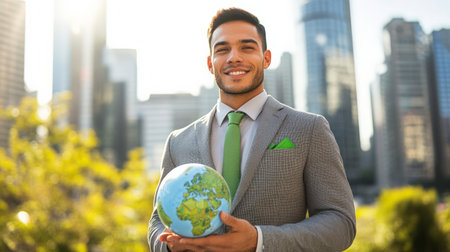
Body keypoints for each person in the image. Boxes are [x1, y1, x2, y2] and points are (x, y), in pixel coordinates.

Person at [148, 7, 356, 252]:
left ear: (266, 58)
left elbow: (341, 223)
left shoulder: (309, 128)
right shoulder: (178, 141)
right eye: (222, 49)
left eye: (247, 47)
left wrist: (259, 240)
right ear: (209, 63)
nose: (234, 57)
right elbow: (156, 222)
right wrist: (169, 247)